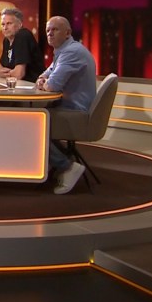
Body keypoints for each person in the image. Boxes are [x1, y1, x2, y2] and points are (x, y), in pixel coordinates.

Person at [36, 16, 97, 195]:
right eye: (48, 30)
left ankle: (67, 166)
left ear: (68, 33)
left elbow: (52, 85)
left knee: (34, 122)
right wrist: (43, 79)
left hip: (76, 111)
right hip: (70, 107)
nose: (50, 33)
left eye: (55, 30)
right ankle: (59, 160)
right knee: (36, 116)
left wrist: (45, 83)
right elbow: (46, 74)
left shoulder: (71, 52)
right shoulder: (63, 51)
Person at [0, 8, 44, 82]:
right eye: (3, 24)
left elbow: (19, 74)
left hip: (33, 85)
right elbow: (0, 70)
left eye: (9, 23)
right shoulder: (6, 40)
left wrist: (6, 73)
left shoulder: (22, 35)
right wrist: (10, 73)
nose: (5, 28)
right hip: (18, 84)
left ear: (20, 24)